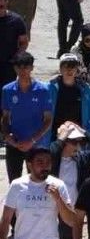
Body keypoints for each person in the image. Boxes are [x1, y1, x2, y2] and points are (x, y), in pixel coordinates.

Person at [2, 53, 52, 182]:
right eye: (19, 66)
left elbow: (48, 120)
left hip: (37, 145)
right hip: (15, 144)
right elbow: (5, 117)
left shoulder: (43, 90)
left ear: (32, 68)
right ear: (15, 68)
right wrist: (8, 136)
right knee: (14, 182)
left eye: (26, 67)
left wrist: (32, 140)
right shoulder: (7, 90)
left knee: (38, 181)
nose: (23, 70)